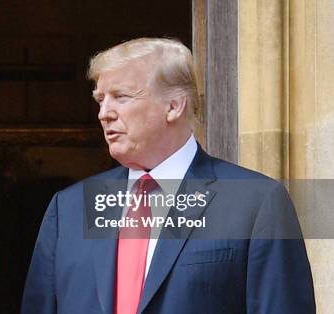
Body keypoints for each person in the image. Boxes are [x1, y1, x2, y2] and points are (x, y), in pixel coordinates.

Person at [21, 38, 315, 313]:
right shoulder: (69, 208)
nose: (104, 113)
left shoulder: (255, 203)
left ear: (174, 106)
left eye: (120, 97)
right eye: (100, 99)